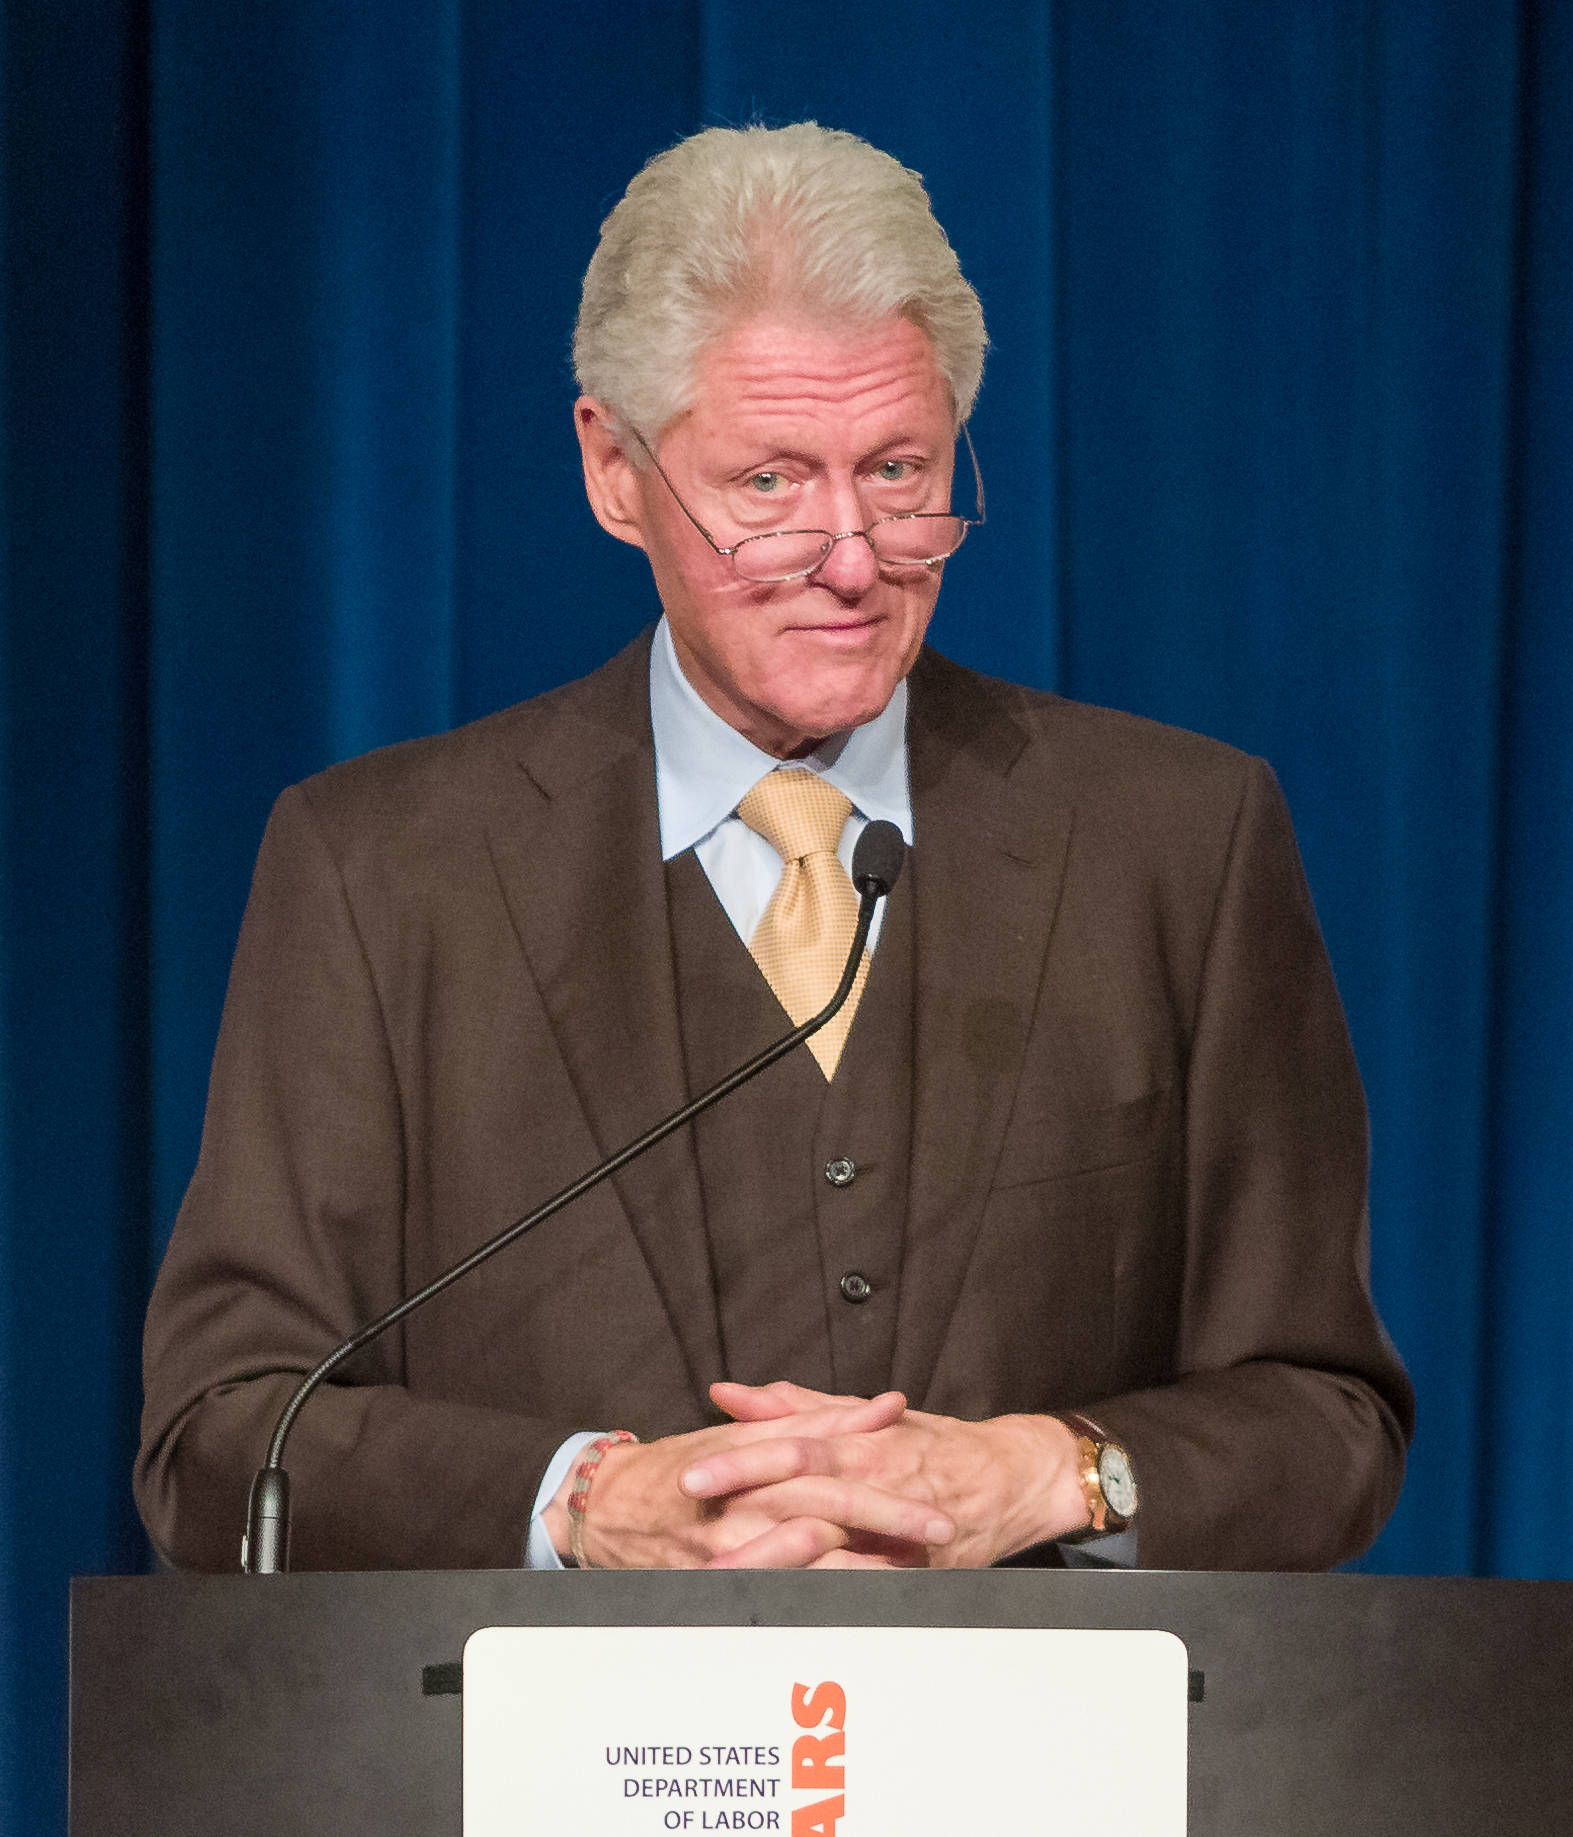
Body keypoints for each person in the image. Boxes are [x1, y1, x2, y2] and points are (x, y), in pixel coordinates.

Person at [135, 122, 1412, 1575]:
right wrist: (578, 1500)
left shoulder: (1177, 845)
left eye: (899, 471)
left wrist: (1056, 1470)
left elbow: (1324, 1412)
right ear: (614, 470)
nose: (854, 556)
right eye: (768, 485)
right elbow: (224, 1434)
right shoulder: (381, 871)